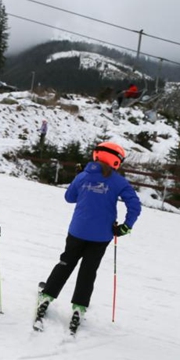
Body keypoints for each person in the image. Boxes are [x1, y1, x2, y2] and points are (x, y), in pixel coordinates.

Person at [35, 142, 141, 334]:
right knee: (88, 271)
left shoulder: (83, 175)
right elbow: (135, 206)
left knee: (65, 263)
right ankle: (79, 308)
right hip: (101, 236)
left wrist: (80, 181)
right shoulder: (119, 182)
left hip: (77, 230)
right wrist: (126, 227)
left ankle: (47, 296)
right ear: (116, 161)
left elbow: (69, 197)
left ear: (96, 155)